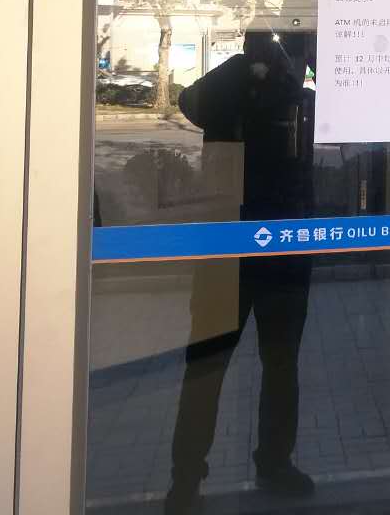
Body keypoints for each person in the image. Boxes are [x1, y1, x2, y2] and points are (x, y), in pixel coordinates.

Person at [165, 30, 316, 515]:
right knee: (207, 367)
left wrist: (285, 67)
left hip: (282, 250)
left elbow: (332, 107)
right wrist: (243, 67)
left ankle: (273, 461)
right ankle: (186, 478)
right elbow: (190, 101)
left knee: (280, 365)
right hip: (227, 249)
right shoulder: (231, 88)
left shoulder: (297, 97)